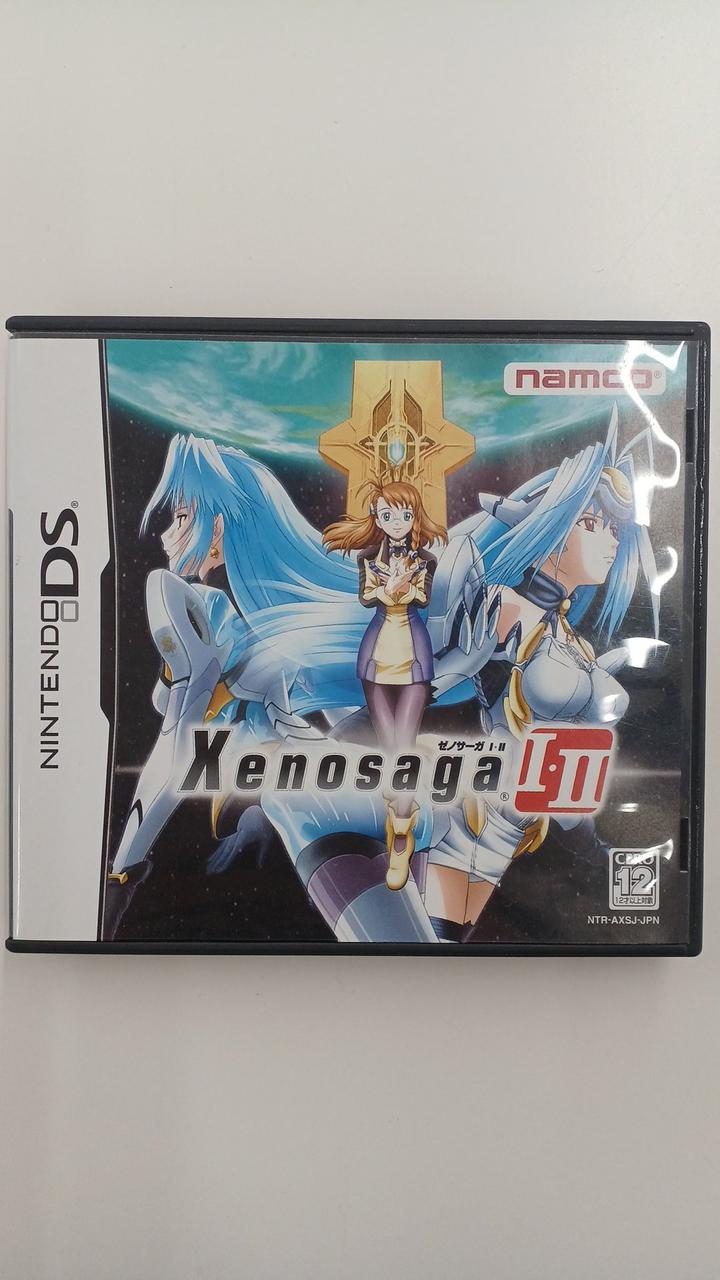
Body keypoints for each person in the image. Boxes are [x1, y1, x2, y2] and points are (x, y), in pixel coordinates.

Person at [423, 408, 661, 941]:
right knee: (426, 951)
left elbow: (569, 769)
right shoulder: (506, 607)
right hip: (467, 825)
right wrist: (456, 663)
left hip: (522, 832)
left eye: (614, 528)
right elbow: (419, 687)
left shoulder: (572, 640)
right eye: (591, 524)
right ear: (551, 534)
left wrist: (594, 852)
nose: (611, 540)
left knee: (446, 955)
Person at [322, 480, 447, 889]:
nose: (397, 522)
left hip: (413, 659)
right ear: (377, 516)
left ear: (414, 517)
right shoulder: (367, 558)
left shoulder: (425, 559)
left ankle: (401, 836)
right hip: (377, 658)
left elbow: (423, 599)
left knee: (402, 747)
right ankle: (400, 807)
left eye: (405, 515)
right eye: (388, 514)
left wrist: (401, 587)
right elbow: (365, 596)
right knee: (390, 745)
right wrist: (388, 587)